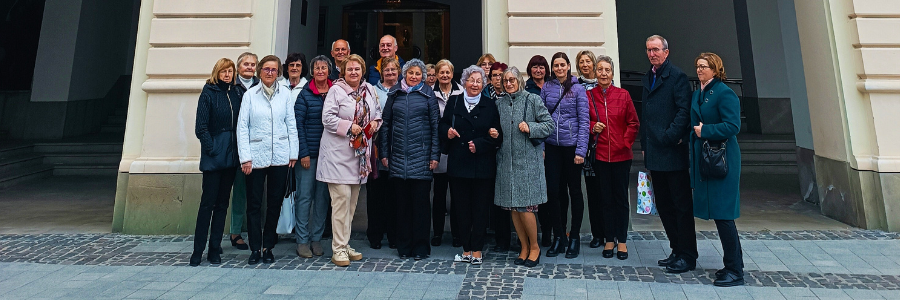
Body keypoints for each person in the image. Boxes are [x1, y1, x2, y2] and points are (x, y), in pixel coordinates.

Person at [317, 54, 382, 267]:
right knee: (341, 200)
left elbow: (378, 114)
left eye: (357, 69)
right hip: (337, 154)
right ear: (343, 72)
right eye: (349, 69)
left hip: (359, 156)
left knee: (352, 204)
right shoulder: (336, 90)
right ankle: (338, 249)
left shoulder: (370, 90)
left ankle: (344, 244)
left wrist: (375, 125)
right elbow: (327, 118)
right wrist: (348, 127)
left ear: (362, 71)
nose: (353, 72)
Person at [640, 35, 696, 273]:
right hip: (654, 152)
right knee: (663, 205)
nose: (652, 54)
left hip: (672, 152)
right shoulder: (649, 76)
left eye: (656, 49)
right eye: (648, 50)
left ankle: (688, 255)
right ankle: (676, 249)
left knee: (681, 206)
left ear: (666, 52)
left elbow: (684, 111)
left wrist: (669, 136)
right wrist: (645, 143)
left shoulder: (678, 77)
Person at [237, 55, 299, 265]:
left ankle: (268, 246)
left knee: (275, 203)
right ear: (260, 72)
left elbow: (291, 123)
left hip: (280, 155)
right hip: (255, 156)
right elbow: (242, 127)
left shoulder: (285, 95)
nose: (270, 72)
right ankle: (255, 247)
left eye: (273, 69)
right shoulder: (250, 95)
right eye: (266, 69)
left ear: (278, 72)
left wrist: (293, 152)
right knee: (254, 204)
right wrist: (245, 157)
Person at [439, 65, 502, 265]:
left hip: (482, 165)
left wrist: (481, 144)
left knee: (481, 209)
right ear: (464, 82)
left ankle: (477, 249)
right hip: (459, 163)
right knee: (462, 209)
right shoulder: (455, 101)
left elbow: (497, 135)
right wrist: (447, 131)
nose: (475, 84)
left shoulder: (490, 104)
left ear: (483, 84)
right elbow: (443, 125)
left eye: (479, 81)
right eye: (471, 80)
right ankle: (466, 249)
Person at [690, 52, 743, 287]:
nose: (700, 70)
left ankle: (735, 270)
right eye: (698, 66)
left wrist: (706, 131)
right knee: (719, 216)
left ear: (716, 69)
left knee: (724, 216)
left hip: (723, 160)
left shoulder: (724, 93)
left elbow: (733, 125)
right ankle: (729, 264)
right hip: (706, 159)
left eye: (705, 66)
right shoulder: (699, 92)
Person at [379, 59, 440, 261]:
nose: (414, 76)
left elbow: (435, 126)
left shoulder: (428, 94)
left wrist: (434, 155)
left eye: (418, 73)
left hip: (421, 158)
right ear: (404, 74)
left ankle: (421, 246)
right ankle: (404, 246)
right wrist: (385, 153)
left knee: (421, 206)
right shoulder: (394, 94)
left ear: (423, 76)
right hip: (398, 157)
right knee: (402, 205)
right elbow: (386, 124)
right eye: (410, 73)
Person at [495, 66, 554, 268]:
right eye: (505, 81)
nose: (509, 83)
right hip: (506, 162)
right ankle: (523, 246)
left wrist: (531, 127)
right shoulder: (499, 103)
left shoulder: (532, 100)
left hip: (528, 162)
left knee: (526, 207)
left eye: (512, 80)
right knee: (513, 207)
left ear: (519, 80)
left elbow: (549, 124)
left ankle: (535, 247)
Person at [191, 58, 243, 266]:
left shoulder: (237, 93)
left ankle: (214, 248)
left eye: (230, 71)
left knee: (222, 204)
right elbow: (200, 127)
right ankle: (198, 249)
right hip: (214, 155)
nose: (227, 75)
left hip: (231, 156)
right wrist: (212, 147)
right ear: (217, 72)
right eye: (224, 71)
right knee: (207, 204)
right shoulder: (208, 93)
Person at [587, 55, 640, 260]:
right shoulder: (589, 96)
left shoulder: (623, 95)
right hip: (600, 155)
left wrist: (624, 143)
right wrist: (593, 127)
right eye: (600, 69)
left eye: (607, 70)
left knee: (620, 199)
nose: (603, 73)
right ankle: (609, 238)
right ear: (595, 72)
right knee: (605, 199)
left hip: (621, 155)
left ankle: (623, 240)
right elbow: (585, 121)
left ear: (612, 72)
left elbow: (633, 123)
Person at [540, 52, 589, 259]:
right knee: (554, 192)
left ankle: (574, 236)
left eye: (562, 65)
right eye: (556, 65)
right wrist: (541, 146)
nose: (559, 68)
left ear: (569, 66)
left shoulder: (578, 89)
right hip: (552, 146)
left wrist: (581, 150)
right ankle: (559, 236)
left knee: (574, 192)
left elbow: (584, 121)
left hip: (571, 148)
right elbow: (540, 118)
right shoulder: (546, 88)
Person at [292, 55, 333, 259]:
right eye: (316, 68)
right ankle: (302, 240)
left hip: (329, 155)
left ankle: (316, 238)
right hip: (309, 155)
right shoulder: (305, 94)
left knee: (322, 198)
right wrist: (303, 153)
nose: (320, 71)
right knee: (304, 197)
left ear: (329, 70)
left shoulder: (335, 91)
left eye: (324, 68)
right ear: (312, 71)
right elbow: (297, 125)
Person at [367, 57, 400, 249]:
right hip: (376, 149)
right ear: (381, 73)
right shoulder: (372, 91)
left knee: (395, 196)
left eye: (393, 70)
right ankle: (375, 235)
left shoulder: (403, 91)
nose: (390, 73)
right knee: (375, 195)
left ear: (398, 72)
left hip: (397, 148)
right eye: (386, 70)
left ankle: (394, 235)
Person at [431, 59, 463, 248]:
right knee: (439, 195)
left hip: (456, 147)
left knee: (457, 194)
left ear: (452, 74)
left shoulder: (461, 92)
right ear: (436, 74)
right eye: (441, 72)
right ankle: (437, 233)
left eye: (447, 72)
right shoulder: (430, 93)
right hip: (438, 147)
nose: (444, 75)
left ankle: (457, 234)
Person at [229, 52, 258, 251]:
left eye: (253, 64)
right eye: (246, 64)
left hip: (257, 144)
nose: (249, 67)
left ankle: (256, 231)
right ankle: (235, 231)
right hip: (233, 144)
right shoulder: (231, 86)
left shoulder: (260, 85)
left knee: (255, 191)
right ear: (239, 67)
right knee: (238, 190)